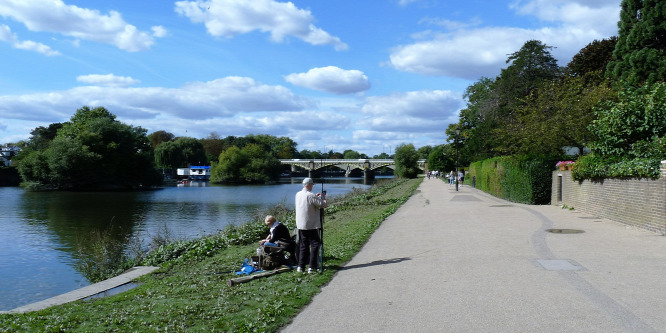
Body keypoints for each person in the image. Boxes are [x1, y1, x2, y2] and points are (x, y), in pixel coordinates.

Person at [295, 177, 327, 273]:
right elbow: (323, 204)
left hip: (301, 225)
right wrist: (323, 197)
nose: (312, 186)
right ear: (309, 185)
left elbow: (309, 202)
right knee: (315, 244)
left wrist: (317, 197)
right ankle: (312, 266)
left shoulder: (298, 194)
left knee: (303, 245)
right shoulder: (311, 195)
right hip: (311, 225)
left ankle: (301, 266)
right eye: (312, 185)